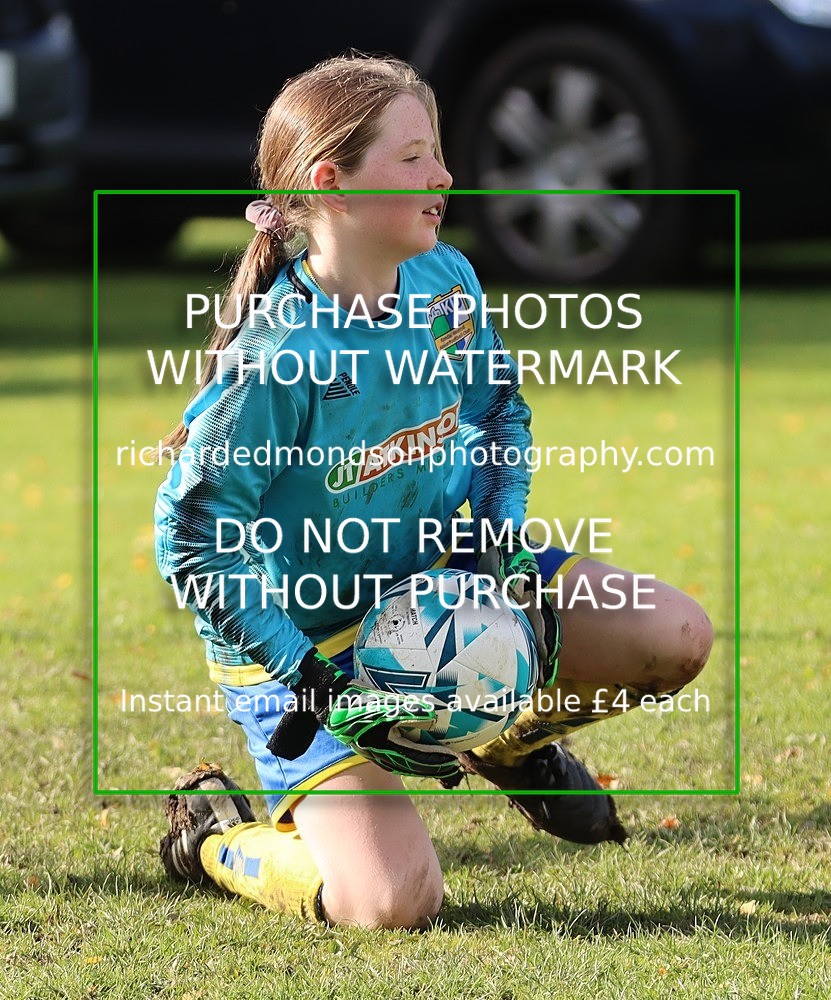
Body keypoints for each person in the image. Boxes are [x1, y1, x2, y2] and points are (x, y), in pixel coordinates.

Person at [155, 54, 713, 930]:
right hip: (306, 646)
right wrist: (312, 681)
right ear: (330, 183)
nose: (444, 176)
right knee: (391, 902)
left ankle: (499, 739)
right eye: (414, 158)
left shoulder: (445, 281)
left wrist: (493, 548)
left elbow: (496, 415)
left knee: (675, 635)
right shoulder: (278, 357)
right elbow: (192, 542)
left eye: (438, 152)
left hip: (442, 585)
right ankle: (216, 839)